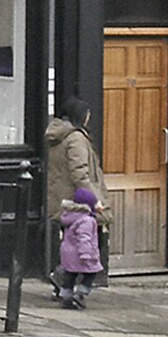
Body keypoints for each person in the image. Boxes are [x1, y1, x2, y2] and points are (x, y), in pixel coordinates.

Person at [42, 96, 108, 275]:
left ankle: (64, 283)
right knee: (90, 243)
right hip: (77, 201)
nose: (88, 118)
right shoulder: (76, 138)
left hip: (62, 198)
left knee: (71, 242)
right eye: (87, 114)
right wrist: (94, 200)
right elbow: (80, 173)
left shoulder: (59, 136)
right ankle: (65, 280)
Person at [53, 185, 105, 308]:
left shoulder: (70, 216)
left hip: (68, 252)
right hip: (80, 253)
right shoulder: (87, 220)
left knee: (70, 274)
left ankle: (66, 297)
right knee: (91, 272)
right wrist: (85, 254)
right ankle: (80, 294)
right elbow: (84, 238)